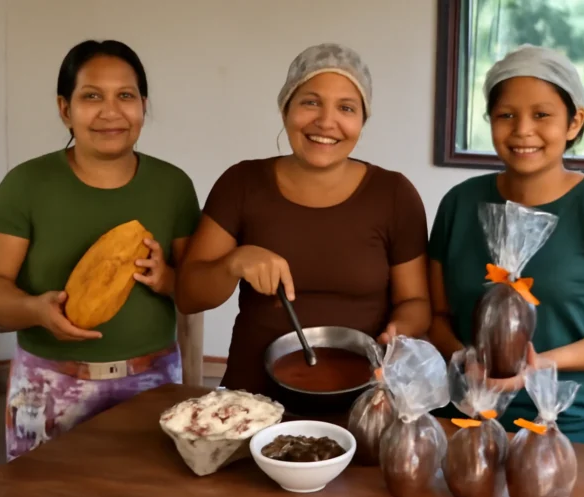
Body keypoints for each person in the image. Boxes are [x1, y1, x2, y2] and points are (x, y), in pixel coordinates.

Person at [0, 40, 201, 461]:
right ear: (65, 108)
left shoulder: (173, 186)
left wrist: (167, 277)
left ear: (143, 106)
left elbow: (198, 288)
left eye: (125, 96)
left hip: (151, 383)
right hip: (47, 387)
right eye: (91, 96)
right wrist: (35, 310)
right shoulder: (26, 185)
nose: (110, 112)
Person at [175, 43, 431, 409]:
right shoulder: (241, 183)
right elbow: (189, 295)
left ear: (362, 120)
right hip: (252, 400)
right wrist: (234, 262)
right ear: (285, 108)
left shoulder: (394, 195)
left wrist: (395, 334)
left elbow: (416, 301)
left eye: (346, 108)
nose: (326, 122)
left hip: (364, 400)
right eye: (310, 102)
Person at [427, 45, 584, 446]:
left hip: (568, 425)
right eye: (506, 115)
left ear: (574, 121)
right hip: (465, 418)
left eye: (542, 114)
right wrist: (465, 357)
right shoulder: (459, 204)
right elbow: (438, 316)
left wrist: (539, 365)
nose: (522, 130)